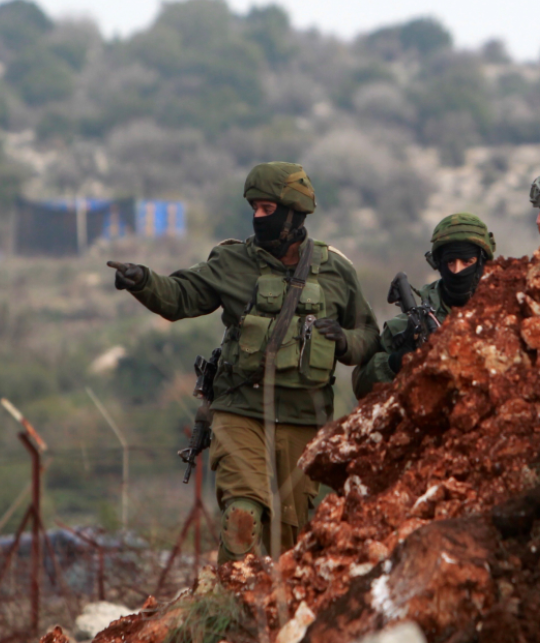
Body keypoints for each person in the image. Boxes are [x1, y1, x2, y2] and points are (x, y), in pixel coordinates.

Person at [107, 162, 379, 563]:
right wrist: (143, 281)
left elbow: (368, 336)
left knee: (291, 539)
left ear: (293, 212)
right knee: (242, 515)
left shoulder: (335, 270)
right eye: (254, 208)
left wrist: (343, 342)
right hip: (240, 410)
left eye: (267, 208)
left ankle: (274, 617)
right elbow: (182, 295)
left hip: (305, 418)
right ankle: (230, 612)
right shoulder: (233, 261)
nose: (257, 217)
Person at [352, 213, 496, 399]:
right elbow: (360, 386)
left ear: (483, 263)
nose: (457, 271)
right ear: (439, 264)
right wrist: (395, 362)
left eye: (467, 262)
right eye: (450, 262)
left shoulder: (503, 314)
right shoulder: (406, 326)